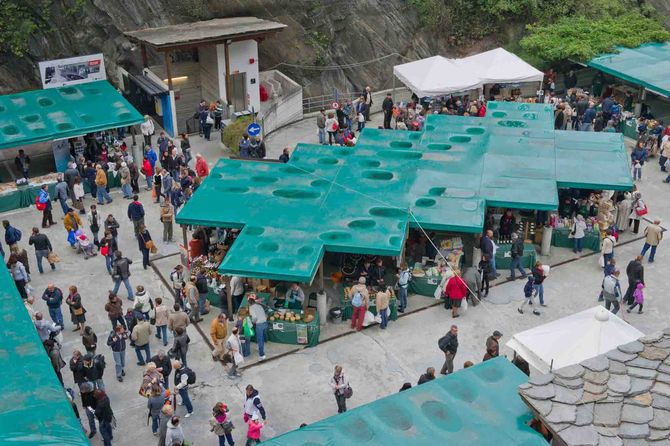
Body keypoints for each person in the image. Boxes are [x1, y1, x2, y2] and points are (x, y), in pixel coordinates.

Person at [249, 295, 268, 360]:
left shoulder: (251, 308)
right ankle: (262, 347)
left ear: (249, 303)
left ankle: (262, 355)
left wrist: (252, 322)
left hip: (259, 325)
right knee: (263, 337)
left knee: (260, 340)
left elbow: (254, 317)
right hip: (265, 323)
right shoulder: (259, 306)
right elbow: (264, 313)